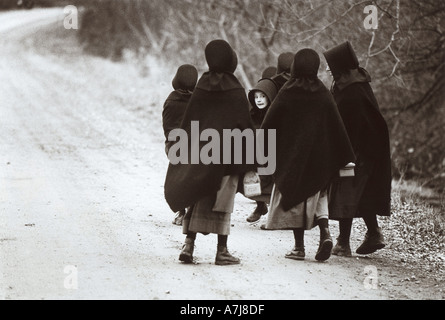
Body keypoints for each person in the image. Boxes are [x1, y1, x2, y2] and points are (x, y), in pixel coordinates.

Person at [164, 39, 257, 265]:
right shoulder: (236, 90)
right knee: (223, 203)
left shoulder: (201, 87)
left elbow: (189, 124)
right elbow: (245, 126)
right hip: (227, 158)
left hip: (202, 156)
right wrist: (252, 162)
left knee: (197, 198)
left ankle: (189, 245)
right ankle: (221, 251)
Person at [260, 48, 355, 261]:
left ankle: (299, 247)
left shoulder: (287, 90)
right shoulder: (322, 92)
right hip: (318, 158)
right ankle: (325, 233)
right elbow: (336, 125)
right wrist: (342, 153)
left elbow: (269, 123)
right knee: (318, 193)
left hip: (292, 158)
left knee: (296, 195)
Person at [323, 41, 392, 256]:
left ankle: (343, 243)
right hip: (366, 150)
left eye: (330, 65)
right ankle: (373, 233)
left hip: (358, 151)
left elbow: (350, 124)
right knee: (361, 193)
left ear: (340, 65)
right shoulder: (354, 83)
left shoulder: (351, 90)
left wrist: (344, 154)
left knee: (347, 192)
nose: (327, 69)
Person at [162, 64, 198, 226]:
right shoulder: (199, 99)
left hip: (176, 145)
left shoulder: (171, 99)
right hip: (197, 146)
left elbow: (168, 127)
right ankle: (190, 210)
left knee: (178, 177)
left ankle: (181, 211)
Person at [244, 78, 278, 223]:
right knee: (251, 182)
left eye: (263, 96)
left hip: (274, 155)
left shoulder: (277, 113)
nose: (259, 100)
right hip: (257, 156)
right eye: (256, 97)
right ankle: (260, 206)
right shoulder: (251, 114)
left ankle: (273, 215)